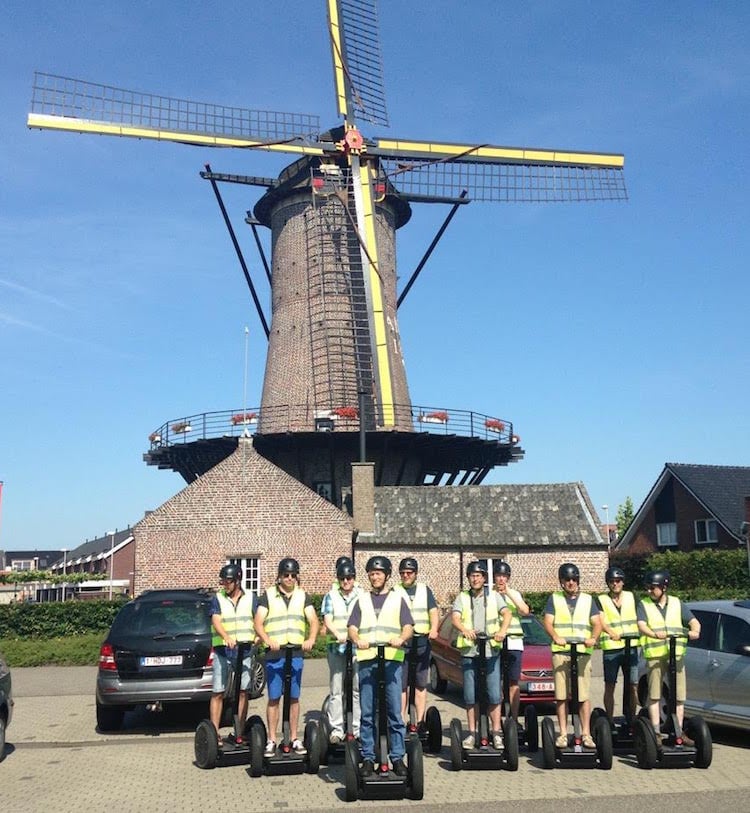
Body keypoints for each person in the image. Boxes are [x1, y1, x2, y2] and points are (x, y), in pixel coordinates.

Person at [347, 555, 414, 777]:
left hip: (392, 661)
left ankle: (397, 757)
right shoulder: (362, 600)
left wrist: (401, 638)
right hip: (368, 660)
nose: (374, 577)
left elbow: (408, 626)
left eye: (378, 573)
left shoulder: (398, 599)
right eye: (371, 574)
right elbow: (352, 627)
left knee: (394, 712)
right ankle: (368, 757)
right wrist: (357, 639)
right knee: (367, 713)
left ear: (386, 575)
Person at [254, 557, 319, 756]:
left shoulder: (303, 596)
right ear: (279, 576)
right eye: (285, 575)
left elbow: (313, 620)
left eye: (292, 575)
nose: (289, 578)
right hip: (275, 654)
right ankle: (272, 739)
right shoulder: (268, 596)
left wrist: (311, 639)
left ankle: (294, 738)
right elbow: (258, 622)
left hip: (296, 652)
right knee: (274, 697)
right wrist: (267, 640)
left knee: (294, 697)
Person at [451, 560, 512, 749]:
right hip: (470, 652)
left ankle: (496, 733)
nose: (475, 579)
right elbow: (455, 618)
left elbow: (507, 613)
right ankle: (472, 733)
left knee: (494, 695)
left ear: (484, 578)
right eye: (472, 576)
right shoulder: (462, 597)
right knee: (471, 696)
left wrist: (502, 631)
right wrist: (464, 629)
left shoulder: (494, 596)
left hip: (491, 651)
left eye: (478, 576)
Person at [637, 569, 700, 744]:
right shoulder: (644, 604)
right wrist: (653, 634)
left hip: (676, 656)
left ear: (663, 588)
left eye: (652, 588)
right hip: (655, 656)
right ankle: (656, 732)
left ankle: (678, 732)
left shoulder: (677, 603)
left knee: (679, 696)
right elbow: (641, 624)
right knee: (654, 694)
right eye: (648, 587)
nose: (649, 591)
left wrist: (695, 631)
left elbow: (693, 621)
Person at [543, 562, 602, 749]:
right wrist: (555, 636)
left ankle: (586, 734)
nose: (571, 582)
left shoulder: (588, 599)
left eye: (574, 579)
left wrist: (593, 638)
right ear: (561, 581)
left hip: (582, 652)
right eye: (567, 579)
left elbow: (597, 623)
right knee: (561, 696)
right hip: (561, 652)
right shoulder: (554, 599)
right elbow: (548, 622)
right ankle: (562, 733)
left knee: (583, 696)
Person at [209, 563, 258, 746]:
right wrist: (226, 637)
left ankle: (240, 730)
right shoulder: (218, 598)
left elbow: (258, 619)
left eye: (228, 581)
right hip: (223, 650)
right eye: (223, 581)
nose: (225, 585)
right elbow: (216, 620)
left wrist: (259, 637)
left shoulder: (250, 598)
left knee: (244, 691)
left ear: (237, 581)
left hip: (245, 651)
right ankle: (214, 734)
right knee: (218, 691)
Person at [321, 557, 362, 744]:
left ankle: (357, 728)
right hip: (337, 647)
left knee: (357, 689)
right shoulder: (331, 596)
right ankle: (337, 729)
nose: (346, 581)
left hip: (357, 649)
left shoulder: (362, 595)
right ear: (338, 579)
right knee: (336, 689)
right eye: (342, 578)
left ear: (354, 578)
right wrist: (337, 633)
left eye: (349, 578)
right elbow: (328, 619)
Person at [395, 557, 439, 725]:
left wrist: (434, 629)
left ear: (416, 573)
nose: (406, 575)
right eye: (403, 573)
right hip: (402, 645)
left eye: (409, 572)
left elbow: (433, 611)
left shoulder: (424, 590)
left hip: (422, 643)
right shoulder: (395, 591)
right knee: (402, 686)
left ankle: (419, 722)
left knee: (420, 684)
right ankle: (401, 721)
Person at [596, 565, 639, 721]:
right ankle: (609, 720)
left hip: (630, 646)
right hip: (612, 649)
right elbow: (600, 620)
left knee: (633, 684)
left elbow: (641, 617)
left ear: (623, 582)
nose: (615, 584)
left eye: (618, 581)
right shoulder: (601, 600)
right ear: (608, 583)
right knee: (610, 684)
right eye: (612, 581)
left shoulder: (631, 597)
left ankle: (632, 718)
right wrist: (611, 633)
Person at [492, 560, 531, 730]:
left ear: (508, 578)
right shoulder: (489, 594)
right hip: (496, 643)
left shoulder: (514, 593)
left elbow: (524, 611)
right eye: (498, 576)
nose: (501, 579)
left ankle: (514, 719)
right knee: (496, 682)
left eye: (504, 576)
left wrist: (508, 593)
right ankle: (497, 720)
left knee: (513, 682)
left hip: (514, 642)